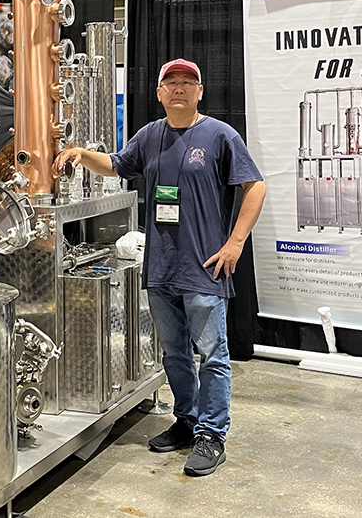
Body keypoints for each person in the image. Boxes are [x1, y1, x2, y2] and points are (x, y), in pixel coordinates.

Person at [53, 58, 266, 477]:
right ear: (159, 93)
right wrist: (81, 154)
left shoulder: (220, 136)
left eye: (188, 82)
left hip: (204, 268)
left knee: (213, 355)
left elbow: (254, 186)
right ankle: (187, 421)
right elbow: (116, 164)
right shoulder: (151, 135)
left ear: (200, 92)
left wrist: (235, 243)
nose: (179, 88)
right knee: (174, 354)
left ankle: (212, 434)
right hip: (161, 268)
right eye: (171, 82)